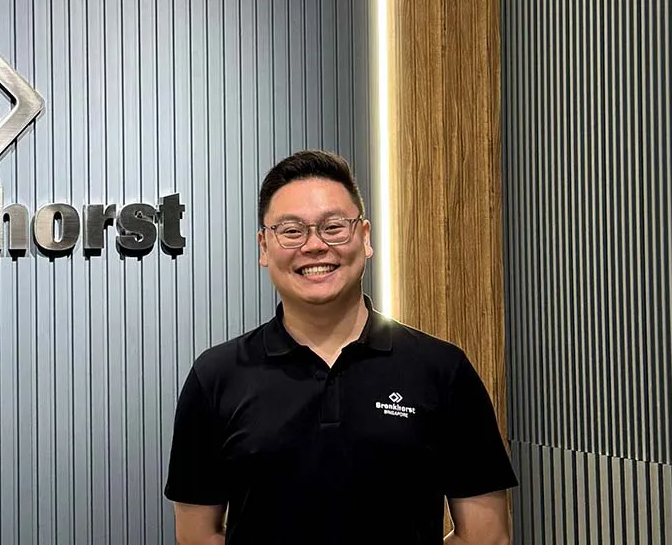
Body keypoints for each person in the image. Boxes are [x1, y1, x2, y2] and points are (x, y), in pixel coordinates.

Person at [164, 151, 517, 544]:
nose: (315, 246)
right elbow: (198, 536)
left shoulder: (442, 369)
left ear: (365, 238)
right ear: (264, 247)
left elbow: (486, 536)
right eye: (292, 231)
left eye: (333, 227)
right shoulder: (216, 376)